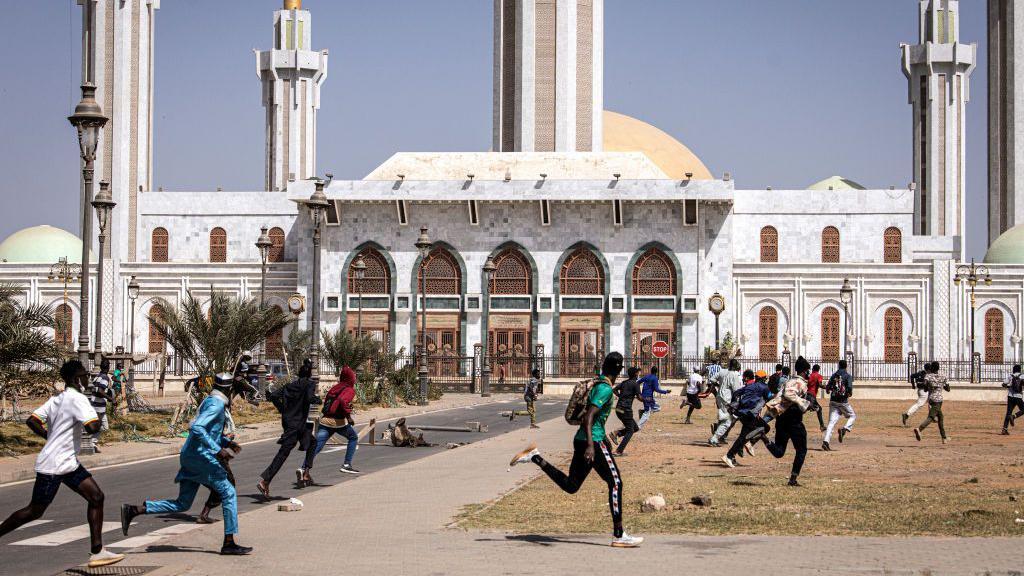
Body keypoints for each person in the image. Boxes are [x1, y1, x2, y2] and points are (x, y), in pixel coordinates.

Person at [509, 352, 643, 548]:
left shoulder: (598, 384)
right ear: (618, 370)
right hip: (592, 442)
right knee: (616, 483)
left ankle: (535, 457)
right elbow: (589, 417)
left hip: (583, 440)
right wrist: (591, 445)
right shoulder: (605, 389)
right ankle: (619, 534)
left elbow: (593, 419)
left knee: (572, 486)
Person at [0, 360, 125, 568]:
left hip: (67, 462)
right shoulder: (78, 399)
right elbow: (93, 427)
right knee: (35, 511)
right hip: (54, 465)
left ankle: (97, 551)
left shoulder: (57, 399)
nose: (88, 378)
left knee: (96, 496)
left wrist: (49, 436)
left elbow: (32, 420)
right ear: (77, 378)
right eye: (85, 375)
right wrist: (93, 414)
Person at [121, 372, 255, 555]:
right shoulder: (216, 405)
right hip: (202, 457)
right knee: (229, 492)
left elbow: (207, 430)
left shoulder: (209, 401)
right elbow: (197, 427)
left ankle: (135, 510)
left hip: (190, 455)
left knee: (183, 504)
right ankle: (229, 542)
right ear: (229, 388)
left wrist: (225, 442)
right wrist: (217, 449)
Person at [257, 359, 318, 497]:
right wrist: (316, 399)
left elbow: (273, 396)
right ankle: (265, 481)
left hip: (293, 424)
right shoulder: (309, 384)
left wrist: (283, 410)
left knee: (313, 442)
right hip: (297, 426)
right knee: (283, 453)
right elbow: (309, 398)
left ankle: (306, 473)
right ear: (309, 375)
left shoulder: (289, 386)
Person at [756, 356, 812, 486]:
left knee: (779, 451)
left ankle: (763, 437)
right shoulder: (800, 383)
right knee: (802, 450)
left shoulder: (790, 381)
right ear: (804, 371)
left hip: (781, 418)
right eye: (807, 371)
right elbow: (789, 394)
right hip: (794, 419)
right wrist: (803, 403)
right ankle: (793, 479)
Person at [301, 366, 361, 480]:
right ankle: (347, 464)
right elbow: (343, 400)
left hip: (325, 420)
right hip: (337, 421)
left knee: (317, 445)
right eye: (354, 377)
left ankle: (303, 469)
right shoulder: (349, 389)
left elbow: (331, 401)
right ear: (351, 378)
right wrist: (348, 417)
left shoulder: (335, 387)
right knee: (353, 437)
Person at [721, 369, 770, 468]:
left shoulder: (750, 386)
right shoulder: (764, 387)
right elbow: (770, 397)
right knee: (745, 436)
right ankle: (729, 456)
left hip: (741, 413)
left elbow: (736, 393)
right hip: (749, 414)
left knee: (764, 428)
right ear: (764, 379)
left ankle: (743, 448)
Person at [709, 359, 744, 446]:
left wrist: (718, 385)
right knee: (728, 421)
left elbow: (711, 379)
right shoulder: (734, 375)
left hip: (719, 396)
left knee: (724, 416)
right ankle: (715, 438)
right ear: (736, 366)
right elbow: (737, 391)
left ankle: (717, 432)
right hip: (727, 398)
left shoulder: (722, 371)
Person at [822, 360, 855, 451]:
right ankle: (844, 429)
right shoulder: (848, 376)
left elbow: (828, 387)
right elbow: (849, 389)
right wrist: (849, 394)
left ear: (839, 366)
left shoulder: (834, 375)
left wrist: (829, 390)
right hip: (843, 402)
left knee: (831, 423)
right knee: (852, 416)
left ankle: (825, 442)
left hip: (833, 401)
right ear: (846, 366)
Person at [914, 361, 950, 444]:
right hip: (939, 400)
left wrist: (930, 386)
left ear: (931, 368)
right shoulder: (943, 376)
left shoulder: (928, 376)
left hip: (931, 399)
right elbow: (948, 389)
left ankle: (944, 438)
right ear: (938, 368)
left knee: (940, 417)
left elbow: (925, 387)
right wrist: (941, 385)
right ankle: (919, 429)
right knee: (931, 417)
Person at [611, 367, 641, 456]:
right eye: (638, 373)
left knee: (635, 428)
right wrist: (647, 400)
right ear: (635, 374)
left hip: (619, 409)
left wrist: (620, 396)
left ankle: (616, 433)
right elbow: (639, 397)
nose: (639, 374)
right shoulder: (635, 384)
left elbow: (614, 389)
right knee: (630, 431)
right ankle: (618, 451)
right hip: (626, 410)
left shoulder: (624, 383)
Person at [89, 358, 115, 453]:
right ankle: (91, 443)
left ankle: (93, 442)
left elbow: (96, 390)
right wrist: (111, 399)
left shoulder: (97, 376)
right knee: (99, 425)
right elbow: (100, 391)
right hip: (98, 406)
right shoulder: (105, 378)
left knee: (104, 426)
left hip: (97, 404)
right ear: (108, 367)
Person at [1001, 364, 1024, 435]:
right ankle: (1014, 416)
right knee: (1023, 409)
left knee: (1008, 412)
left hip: (1010, 396)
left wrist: (1009, 386)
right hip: (1018, 396)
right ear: (1020, 369)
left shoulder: (1010, 376)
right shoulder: (1022, 376)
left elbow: (1003, 384)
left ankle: (1004, 430)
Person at [806, 364, 826, 431]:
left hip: (807, 394)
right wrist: (826, 387)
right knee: (818, 408)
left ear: (813, 369)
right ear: (818, 370)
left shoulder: (810, 375)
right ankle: (822, 426)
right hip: (812, 396)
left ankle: (822, 426)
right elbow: (820, 385)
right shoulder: (819, 376)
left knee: (817, 408)